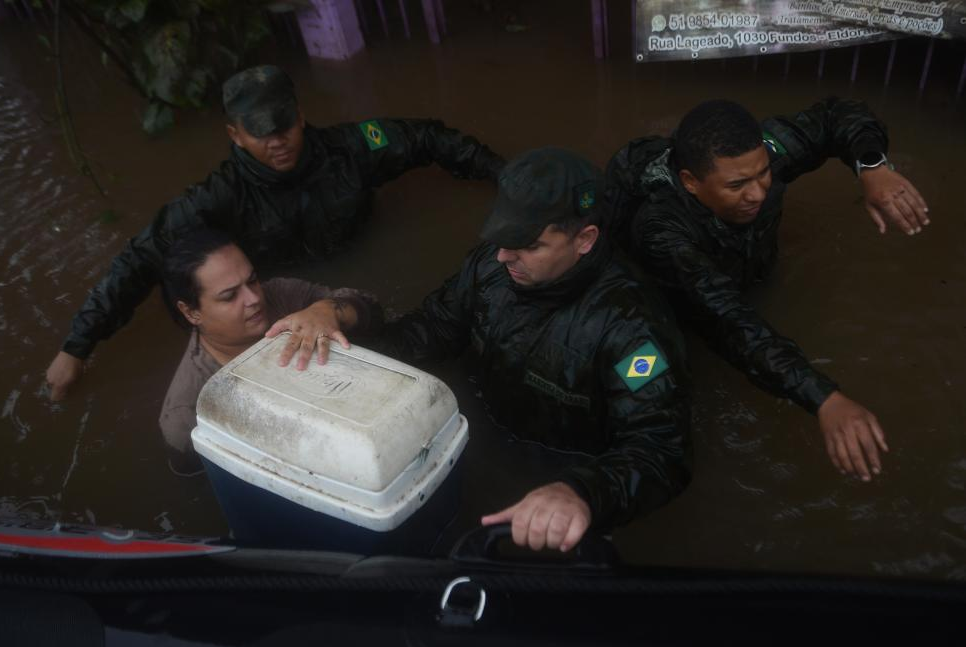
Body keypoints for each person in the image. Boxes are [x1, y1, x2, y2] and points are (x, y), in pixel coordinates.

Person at [47, 64, 503, 401]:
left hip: (353, 277)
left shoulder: (355, 148)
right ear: (235, 135)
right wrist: (77, 346)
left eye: (284, 126)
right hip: (282, 298)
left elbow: (429, 138)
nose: (277, 141)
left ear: (300, 116)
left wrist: (505, 178)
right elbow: (140, 258)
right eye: (261, 134)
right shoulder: (218, 195)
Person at [378, 147, 691, 553]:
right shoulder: (492, 265)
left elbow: (661, 448)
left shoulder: (632, 330)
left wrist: (581, 492)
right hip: (472, 437)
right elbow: (431, 329)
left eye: (527, 244)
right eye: (501, 237)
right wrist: (346, 334)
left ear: (584, 240)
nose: (504, 255)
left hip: (562, 476)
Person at [604, 97, 930, 483]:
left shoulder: (764, 155)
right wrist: (823, 397)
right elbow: (728, 319)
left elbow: (836, 115)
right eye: (737, 185)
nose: (757, 193)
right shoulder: (661, 230)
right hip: (682, 304)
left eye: (762, 175)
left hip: (749, 270)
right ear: (691, 182)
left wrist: (872, 166)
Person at [159, 229, 382, 474]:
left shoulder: (281, 297)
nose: (254, 297)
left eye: (252, 280)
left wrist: (326, 311)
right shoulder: (187, 412)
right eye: (230, 296)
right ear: (191, 312)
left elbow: (372, 310)